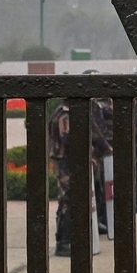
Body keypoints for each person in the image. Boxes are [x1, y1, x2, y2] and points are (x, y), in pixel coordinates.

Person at [49, 94, 114, 256]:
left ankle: (75, 236)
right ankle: (63, 242)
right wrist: (87, 157)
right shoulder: (64, 116)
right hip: (64, 162)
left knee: (77, 198)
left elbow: (94, 133)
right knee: (68, 199)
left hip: (74, 161)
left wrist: (107, 149)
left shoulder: (79, 113)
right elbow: (70, 141)